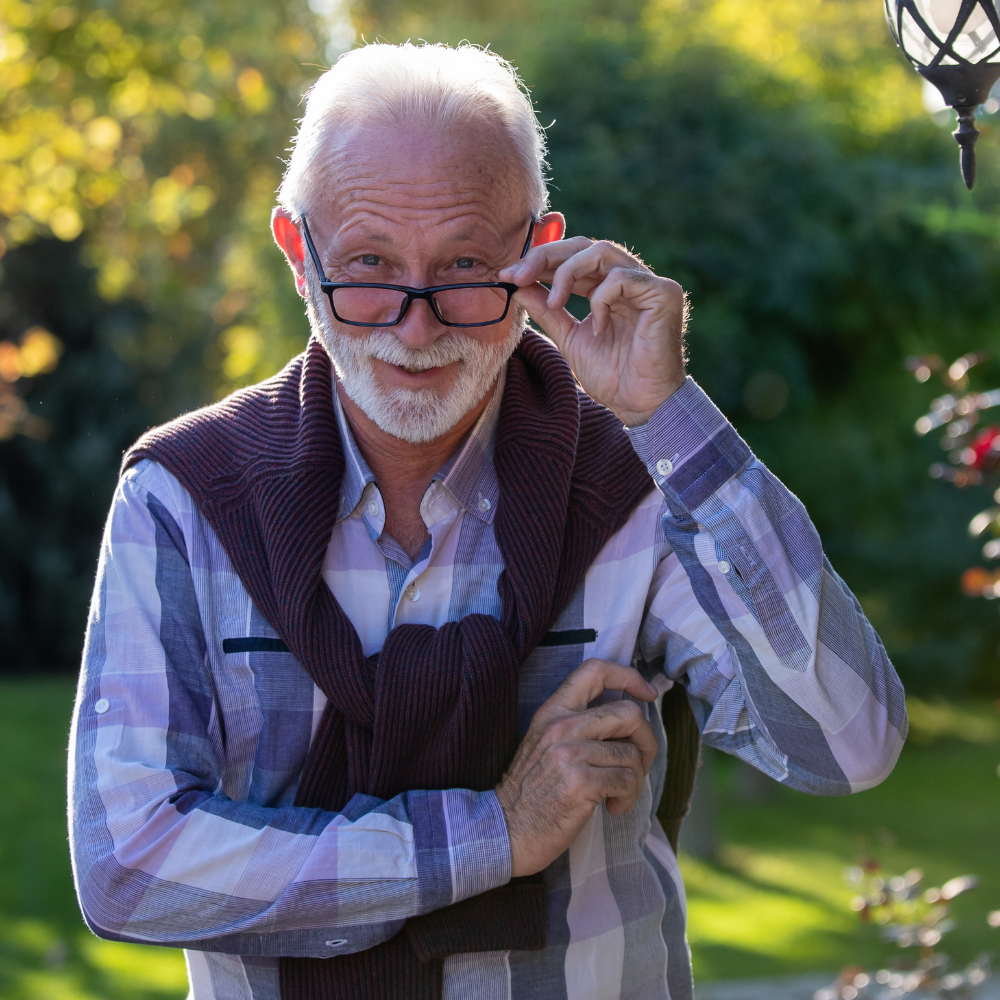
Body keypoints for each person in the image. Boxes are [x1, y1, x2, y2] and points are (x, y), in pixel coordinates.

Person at [68, 41, 906, 1000]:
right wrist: (494, 835)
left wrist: (667, 414)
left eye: (466, 266)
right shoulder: (185, 496)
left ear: (537, 251)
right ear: (299, 255)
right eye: (369, 266)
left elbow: (848, 744)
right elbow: (129, 863)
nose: (415, 329)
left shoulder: (636, 476)